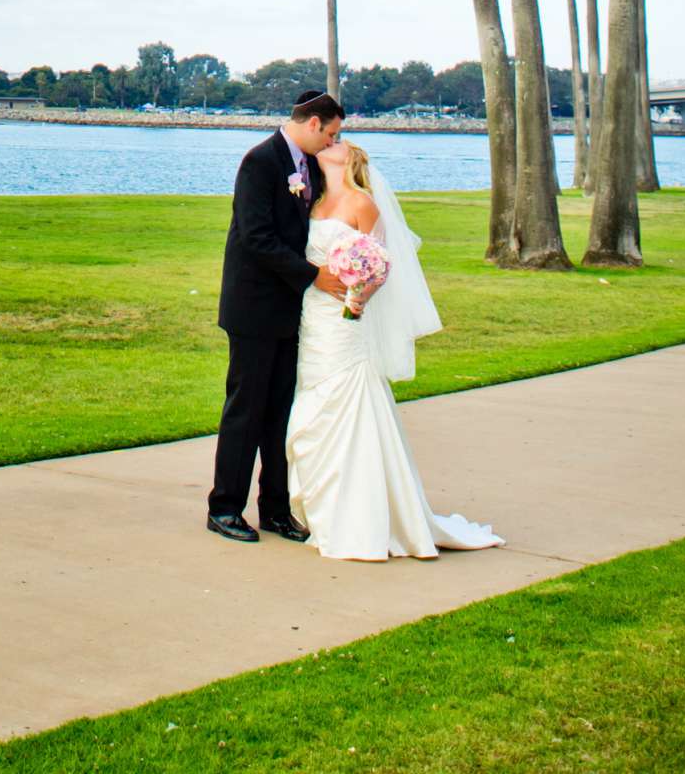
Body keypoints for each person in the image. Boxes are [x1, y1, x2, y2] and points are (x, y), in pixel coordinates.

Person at [286, 137, 503, 560]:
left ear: (351, 160)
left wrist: (359, 296)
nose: (332, 143)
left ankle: (362, 517)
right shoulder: (311, 201)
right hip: (312, 315)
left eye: (339, 142)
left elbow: (380, 263)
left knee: (348, 402)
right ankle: (322, 508)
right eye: (329, 138)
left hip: (345, 321)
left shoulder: (362, 203)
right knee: (312, 405)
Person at [207, 88, 349, 543]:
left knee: (280, 414)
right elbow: (256, 237)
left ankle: (274, 508)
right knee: (245, 410)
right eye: (330, 133)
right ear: (312, 123)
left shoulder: (308, 166)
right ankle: (224, 507)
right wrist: (314, 276)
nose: (332, 142)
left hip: (291, 310)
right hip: (253, 307)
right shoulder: (260, 161)